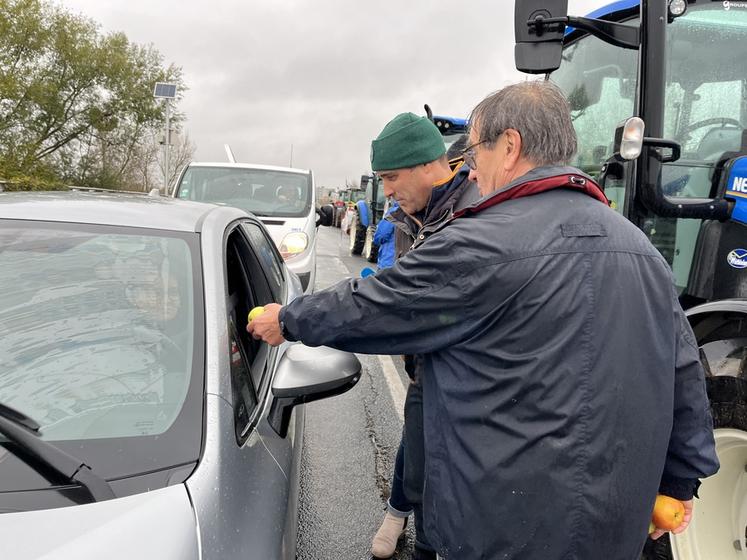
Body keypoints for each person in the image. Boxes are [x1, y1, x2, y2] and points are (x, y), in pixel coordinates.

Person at [248, 81, 719, 559]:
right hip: (616, 526)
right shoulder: (642, 250)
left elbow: (376, 304)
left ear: (510, 147)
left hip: (500, 526)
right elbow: (683, 370)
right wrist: (682, 477)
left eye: (475, 150)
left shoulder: (480, 244)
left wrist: (288, 318)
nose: (470, 165)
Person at [365, 118, 477, 559]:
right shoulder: (410, 215)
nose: (387, 191)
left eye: (392, 177)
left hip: (464, 373)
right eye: (382, 180)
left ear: (430, 165)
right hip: (425, 362)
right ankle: (398, 512)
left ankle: (424, 538)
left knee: (441, 477)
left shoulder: (475, 213)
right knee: (417, 443)